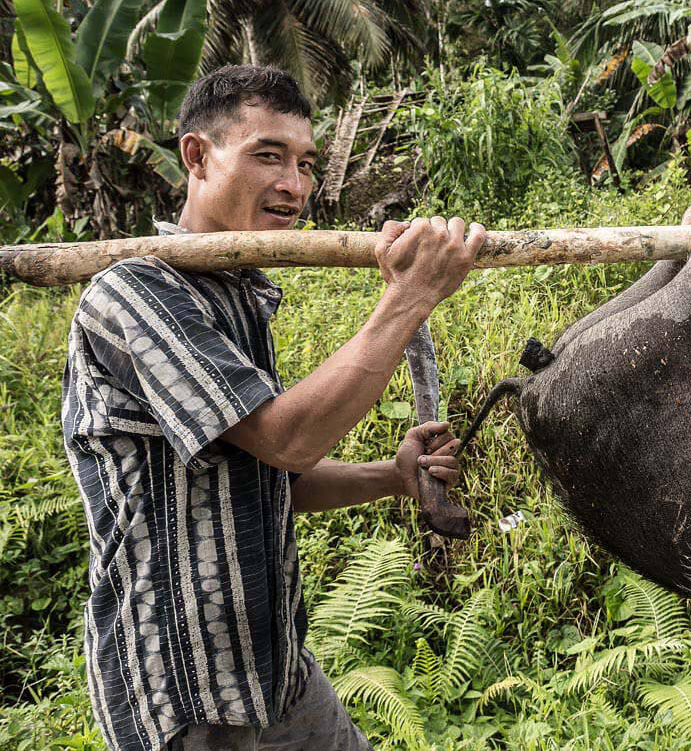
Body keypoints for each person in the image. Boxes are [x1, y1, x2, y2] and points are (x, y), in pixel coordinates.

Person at [61, 64, 486, 751]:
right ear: (197, 156)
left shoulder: (240, 294)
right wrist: (409, 298)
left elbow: (266, 481)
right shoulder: (133, 295)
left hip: (275, 670)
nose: (294, 185)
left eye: (305, 163)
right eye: (268, 156)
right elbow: (286, 440)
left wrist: (391, 474)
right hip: (186, 693)